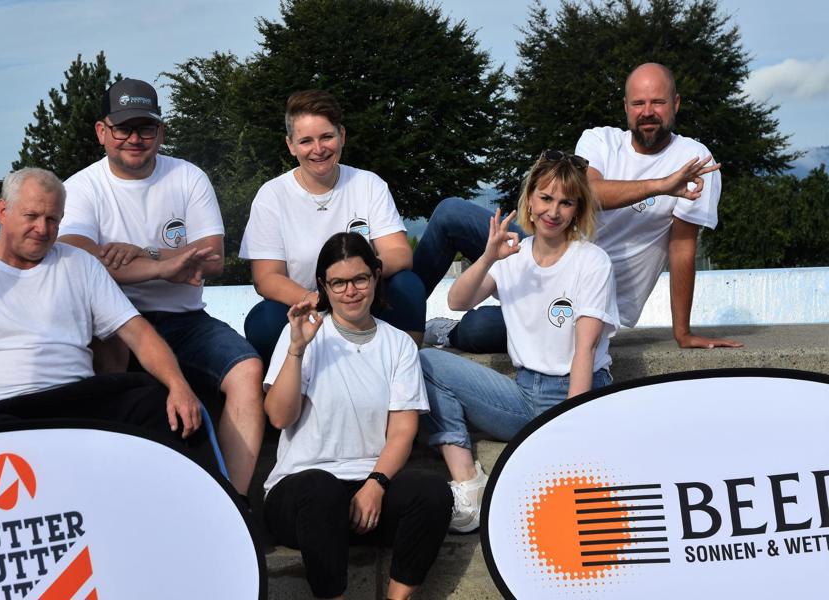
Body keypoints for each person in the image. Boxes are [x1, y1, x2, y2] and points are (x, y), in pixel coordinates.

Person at [412, 62, 741, 351]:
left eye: (658, 102)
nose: (648, 111)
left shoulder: (695, 160)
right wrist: (662, 185)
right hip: (546, 246)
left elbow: (682, 247)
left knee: (480, 328)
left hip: (586, 296)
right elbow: (589, 193)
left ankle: (448, 332)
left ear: (676, 104)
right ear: (626, 106)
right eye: (639, 103)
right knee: (450, 213)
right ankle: (398, 326)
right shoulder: (600, 140)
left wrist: (682, 333)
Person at [0, 168, 216, 469]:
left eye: (52, 219)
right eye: (32, 216)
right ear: (2, 211)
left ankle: (220, 509)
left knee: (161, 404)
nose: (42, 229)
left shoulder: (80, 264)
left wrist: (178, 386)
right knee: (4, 432)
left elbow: (139, 334)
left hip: (72, 401)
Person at [57, 78, 264, 497]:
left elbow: (214, 259)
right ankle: (103, 491)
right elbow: (79, 261)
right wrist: (164, 267)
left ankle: (232, 500)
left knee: (248, 369)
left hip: (184, 321)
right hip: (113, 324)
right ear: (102, 132)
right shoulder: (81, 187)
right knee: (106, 367)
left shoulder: (188, 177)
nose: (134, 139)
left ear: (160, 132)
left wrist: (142, 254)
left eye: (145, 128)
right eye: (123, 128)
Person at [419, 151, 619, 533]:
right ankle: (467, 482)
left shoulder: (591, 262)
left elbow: (585, 351)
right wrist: (488, 257)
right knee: (425, 363)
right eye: (545, 198)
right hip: (524, 394)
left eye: (565, 202)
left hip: (577, 393)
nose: (553, 211)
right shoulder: (512, 255)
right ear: (529, 199)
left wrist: (568, 431)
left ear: (578, 210)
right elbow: (457, 301)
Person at [262, 233, 452, 600]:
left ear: (375, 278)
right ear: (323, 286)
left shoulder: (398, 344)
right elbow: (279, 418)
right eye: (338, 282)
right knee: (322, 488)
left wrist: (376, 483)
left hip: (367, 498)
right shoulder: (301, 333)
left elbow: (402, 430)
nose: (350, 291)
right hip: (302, 497)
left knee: (432, 493)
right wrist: (297, 350)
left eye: (360, 279)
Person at [239, 89, 425, 361]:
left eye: (327, 136)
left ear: (342, 136)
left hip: (363, 301)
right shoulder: (272, 195)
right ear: (290, 145)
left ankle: (405, 368)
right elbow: (266, 278)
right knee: (264, 320)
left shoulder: (368, 184)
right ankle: (287, 383)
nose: (318, 149)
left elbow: (399, 253)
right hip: (309, 305)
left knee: (408, 286)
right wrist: (319, 297)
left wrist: (355, 282)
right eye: (306, 141)